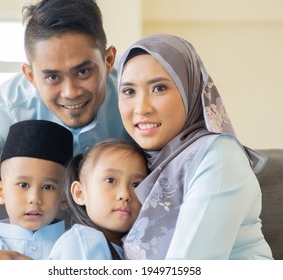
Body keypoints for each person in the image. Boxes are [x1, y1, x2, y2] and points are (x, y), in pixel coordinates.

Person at [0, 0, 128, 260]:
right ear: (31, 76)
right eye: (52, 77)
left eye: (83, 71)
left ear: (109, 59)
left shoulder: (136, 98)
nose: (71, 92)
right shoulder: (7, 109)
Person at [117, 34, 273, 259]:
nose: (141, 108)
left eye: (159, 88)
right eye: (129, 91)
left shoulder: (218, 156)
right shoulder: (140, 163)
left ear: (190, 89)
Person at [0, 120, 73, 260]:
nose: (34, 198)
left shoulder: (77, 246)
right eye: (23, 185)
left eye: (47, 187)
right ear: (0, 191)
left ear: (65, 197)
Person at [47, 139, 149, 260]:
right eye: (110, 180)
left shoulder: (128, 248)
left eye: (136, 185)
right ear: (80, 193)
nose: (125, 194)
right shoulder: (85, 241)